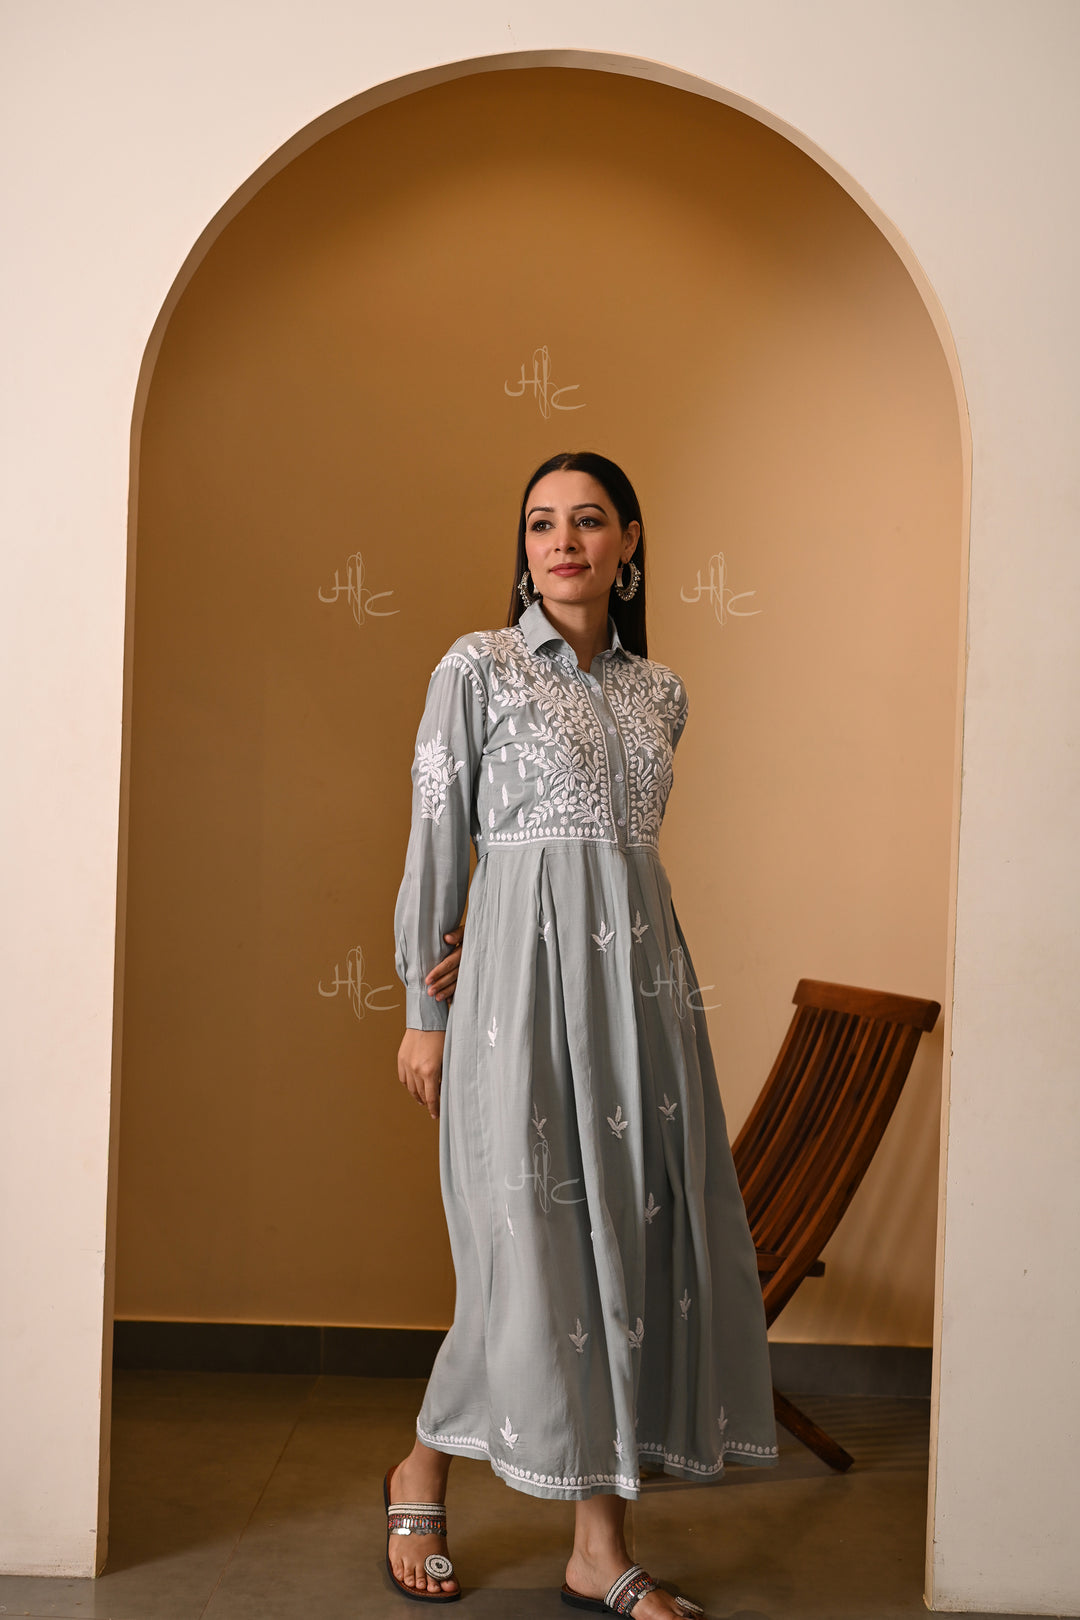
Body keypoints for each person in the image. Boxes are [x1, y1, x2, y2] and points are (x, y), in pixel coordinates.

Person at [386, 452, 777, 1617]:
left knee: (631, 1247)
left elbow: (612, 863)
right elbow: (439, 841)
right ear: (524, 548)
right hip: (510, 1005)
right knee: (527, 1251)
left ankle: (599, 1549)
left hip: (643, 1002)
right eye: (541, 524)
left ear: (629, 542)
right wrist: (424, 1012)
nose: (563, 542)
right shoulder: (477, 667)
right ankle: (422, 1466)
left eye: (589, 521)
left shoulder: (662, 693)